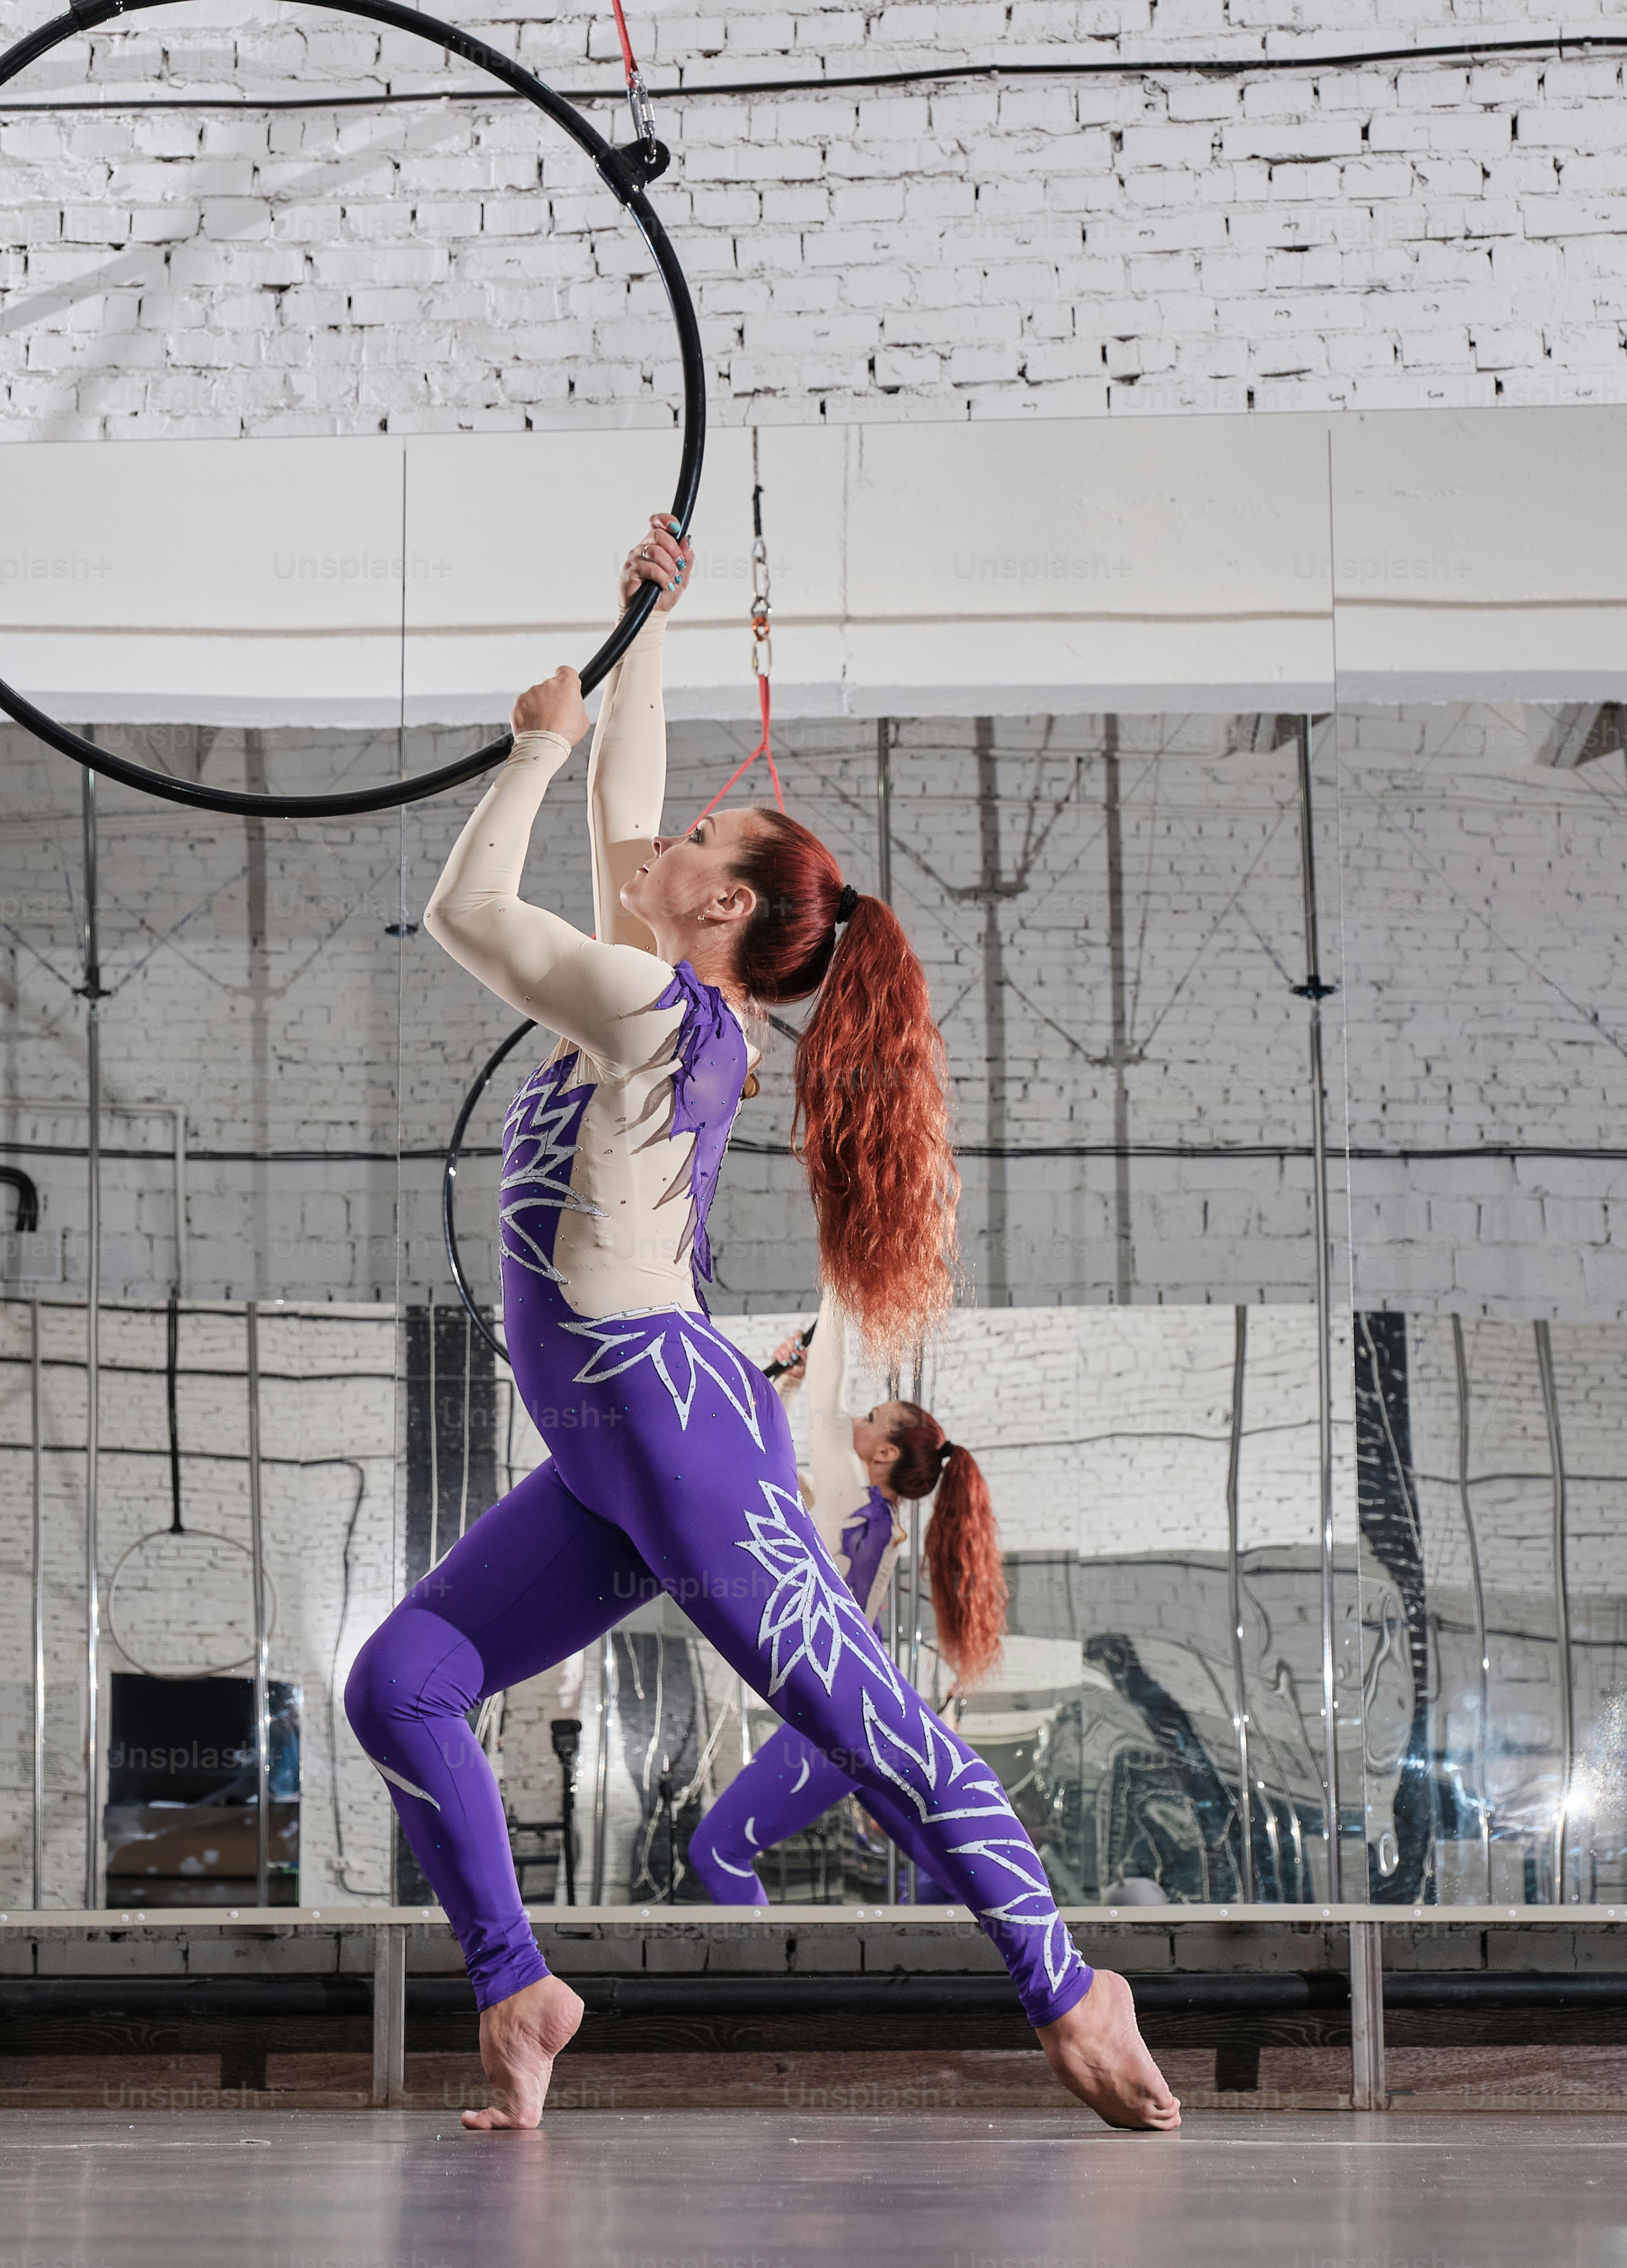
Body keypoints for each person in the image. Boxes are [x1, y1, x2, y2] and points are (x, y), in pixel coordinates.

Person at [343, 514, 1179, 2133]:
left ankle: (1073, 1985)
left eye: (701, 842)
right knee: (404, 1684)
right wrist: (645, 623)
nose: (672, 836)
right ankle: (517, 1987)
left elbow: (471, 912)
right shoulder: (661, 981)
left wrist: (527, 747)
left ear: (720, 911)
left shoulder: (659, 1007)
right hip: (606, 1448)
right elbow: (628, 805)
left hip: (669, 1428)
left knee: (860, 1721)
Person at [687, 1304, 1004, 1905]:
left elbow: (825, 1409)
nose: (856, 1420)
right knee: (945, 1871)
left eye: (872, 1418)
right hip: (861, 1712)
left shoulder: (850, 1498)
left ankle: (769, 1990)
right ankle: (972, 1975)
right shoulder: (859, 1516)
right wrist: (783, 1382)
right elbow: (757, 1462)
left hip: (834, 1719)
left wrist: (838, 1287)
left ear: (883, 1453)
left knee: (716, 1852)